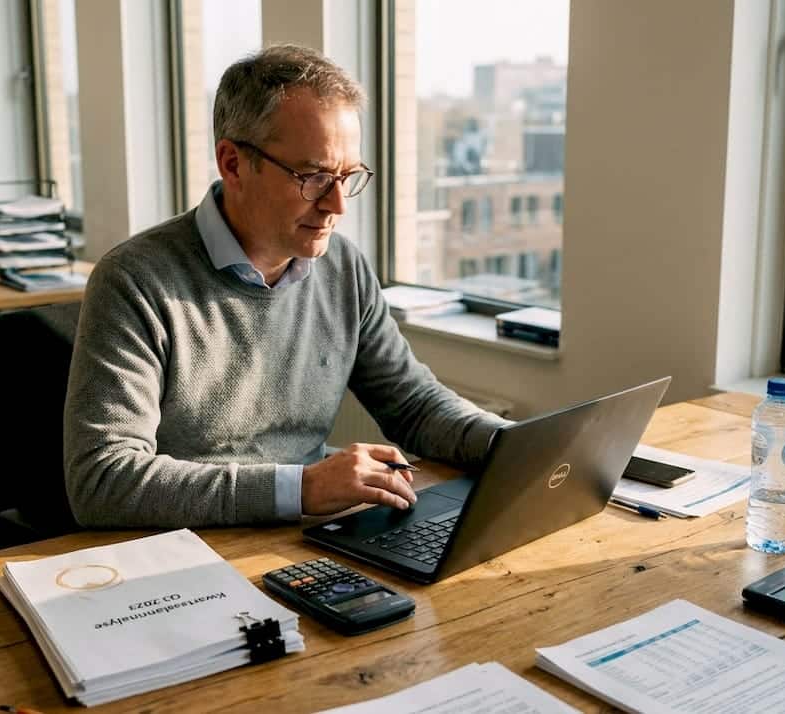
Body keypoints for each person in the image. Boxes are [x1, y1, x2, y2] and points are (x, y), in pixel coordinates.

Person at [63, 45, 509, 529]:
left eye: (348, 176)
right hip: (180, 556)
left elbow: (414, 406)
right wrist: (303, 488)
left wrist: (517, 446)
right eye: (315, 176)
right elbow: (102, 480)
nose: (337, 204)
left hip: (301, 538)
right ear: (232, 163)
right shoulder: (133, 281)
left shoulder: (343, 267)